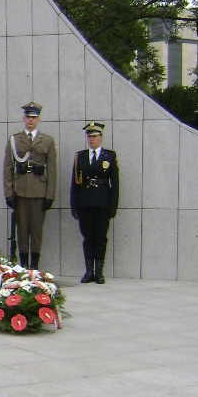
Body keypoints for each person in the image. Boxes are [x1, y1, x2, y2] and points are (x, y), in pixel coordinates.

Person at [3, 102, 57, 269]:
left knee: (36, 231)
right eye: (28, 117)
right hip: (20, 191)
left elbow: (52, 171)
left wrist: (49, 196)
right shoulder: (15, 140)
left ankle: (34, 266)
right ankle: (24, 265)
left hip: (39, 192)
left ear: (39, 119)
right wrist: (8, 192)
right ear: (23, 118)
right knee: (22, 231)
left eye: (34, 117)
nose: (30, 120)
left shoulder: (47, 141)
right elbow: (7, 168)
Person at [70, 121, 120, 284]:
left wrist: (113, 205)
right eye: (89, 136)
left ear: (101, 138)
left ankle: (99, 271)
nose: (91, 139)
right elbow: (75, 182)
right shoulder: (81, 156)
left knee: (100, 237)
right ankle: (88, 271)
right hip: (85, 203)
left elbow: (115, 183)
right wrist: (74, 204)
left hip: (102, 202)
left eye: (94, 136)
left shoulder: (109, 156)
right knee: (87, 237)